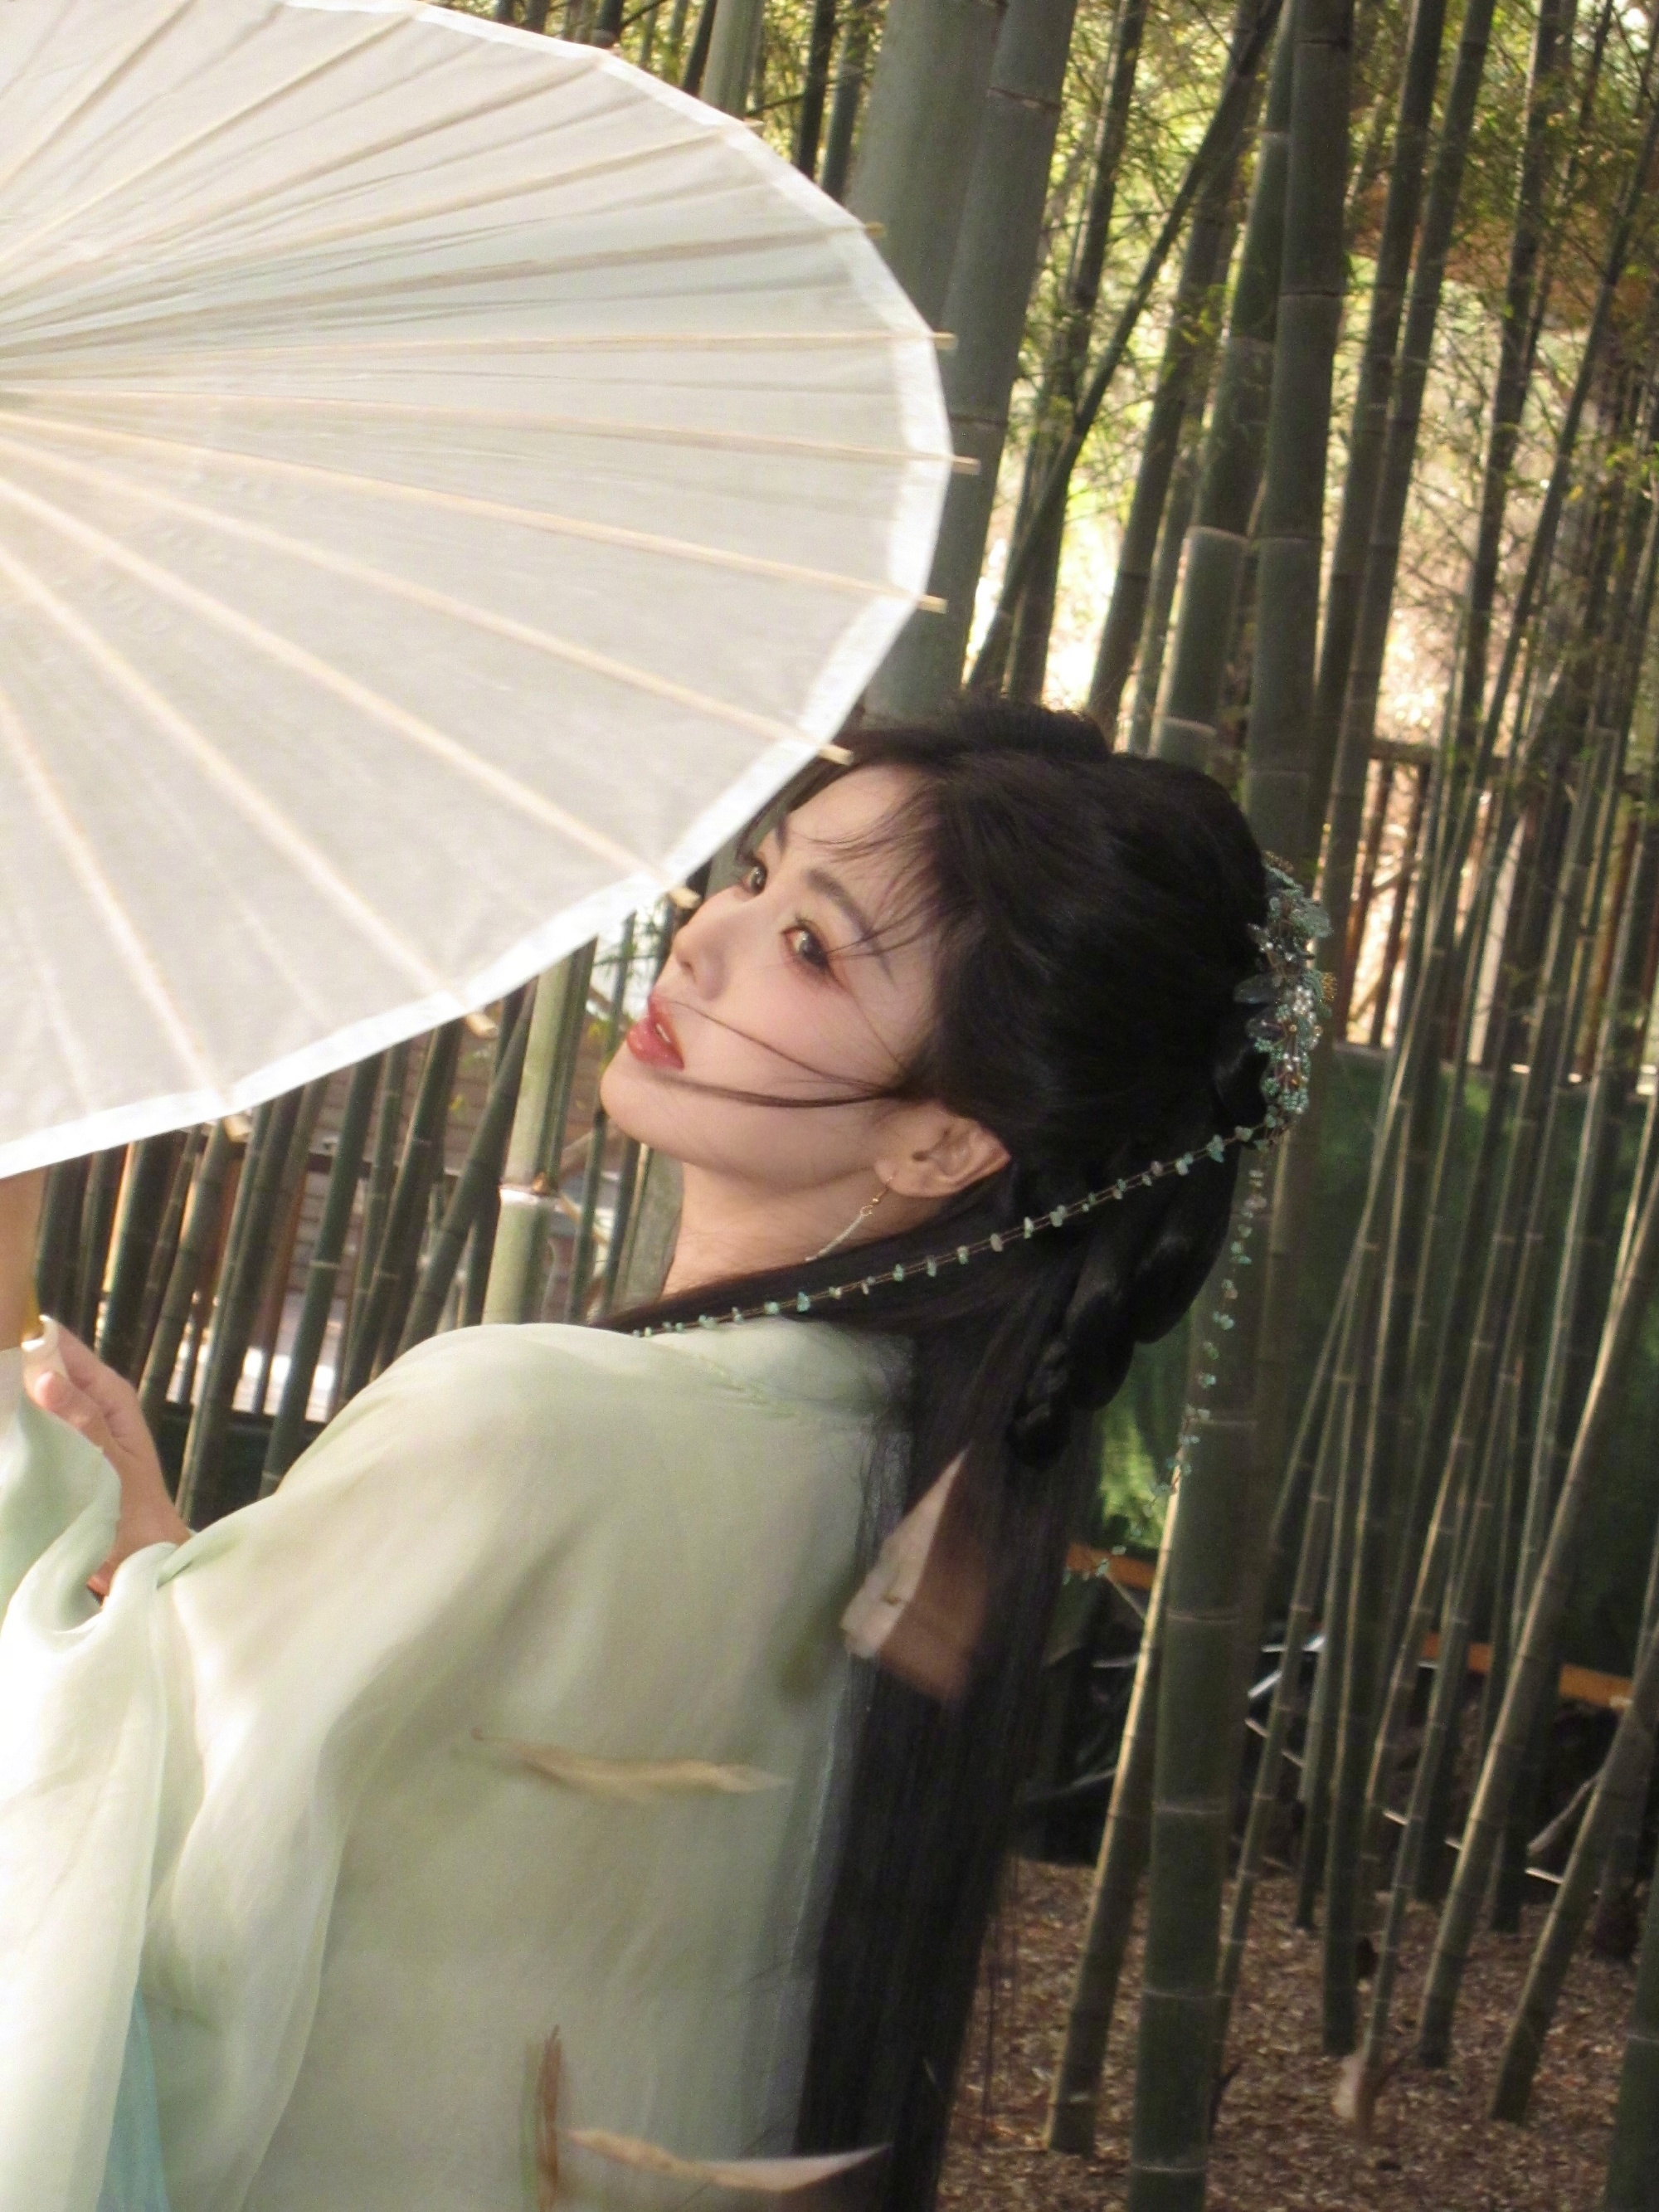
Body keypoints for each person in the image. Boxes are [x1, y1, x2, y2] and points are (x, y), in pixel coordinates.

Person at [0, 702, 1319, 2212]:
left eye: (811, 946)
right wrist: (183, 1578)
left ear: (945, 1142)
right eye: (755, 877)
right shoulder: (915, 1482)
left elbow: (108, 1884)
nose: (703, 939)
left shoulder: (525, 1428)